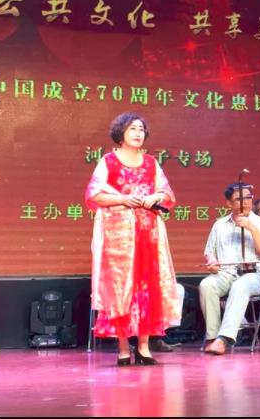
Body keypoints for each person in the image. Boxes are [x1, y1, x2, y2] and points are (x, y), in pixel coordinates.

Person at [85, 113, 179, 366]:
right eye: (132, 129)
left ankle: (144, 347)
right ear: (121, 133)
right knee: (120, 289)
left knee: (147, 288)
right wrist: (123, 199)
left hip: (148, 234)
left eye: (141, 129)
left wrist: (155, 198)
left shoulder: (151, 162)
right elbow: (94, 195)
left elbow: (167, 194)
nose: (138, 133)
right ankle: (124, 348)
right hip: (118, 238)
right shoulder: (108, 161)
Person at [200, 183, 260, 356]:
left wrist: (252, 228)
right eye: (239, 199)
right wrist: (212, 261)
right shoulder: (219, 225)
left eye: (248, 197)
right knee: (206, 285)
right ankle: (212, 337)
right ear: (228, 203)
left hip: (255, 276)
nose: (245, 202)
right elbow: (209, 252)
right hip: (225, 274)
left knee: (240, 285)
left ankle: (223, 339)